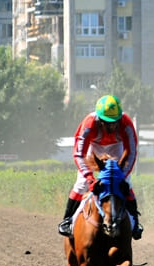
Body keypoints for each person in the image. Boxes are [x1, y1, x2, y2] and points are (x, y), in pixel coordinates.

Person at [59, 95, 143, 240]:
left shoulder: (126, 123)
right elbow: (79, 154)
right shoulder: (89, 123)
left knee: (125, 184)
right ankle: (67, 220)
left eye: (115, 122)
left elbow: (132, 152)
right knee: (81, 184)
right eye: (107, 123)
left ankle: (135, 223)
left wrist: (121, 176)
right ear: (99, 119)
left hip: (118, 149)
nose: (112, 126)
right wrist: (90, 178)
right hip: (94, 148)